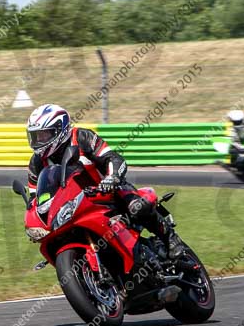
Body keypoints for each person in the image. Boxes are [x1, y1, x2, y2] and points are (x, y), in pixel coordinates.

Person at [26, 103, 184, 258]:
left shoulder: (82, 137)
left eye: (43, 135)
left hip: (107, 192)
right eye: (35, 136)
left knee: (137, 206)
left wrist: (112, 178)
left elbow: (112, 158)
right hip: (73, 207)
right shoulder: (37, 162)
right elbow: (36, 198)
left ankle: (170, 238)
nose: (38, 141)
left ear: (60, 129)